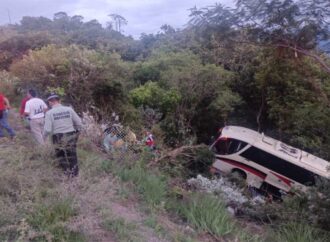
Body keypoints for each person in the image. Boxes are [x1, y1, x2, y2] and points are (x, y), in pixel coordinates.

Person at [44, 93, 82, 177]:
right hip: (70, 134)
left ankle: (66, 174)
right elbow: (79, 122)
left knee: (61, 156)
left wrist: (44, 137)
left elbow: (47, 129)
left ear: (50, 102)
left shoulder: (49, 113)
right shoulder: (69, 109)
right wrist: (76, 132)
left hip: (57, 136)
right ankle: (75, 175)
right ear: (59, 100)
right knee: (72, 155)